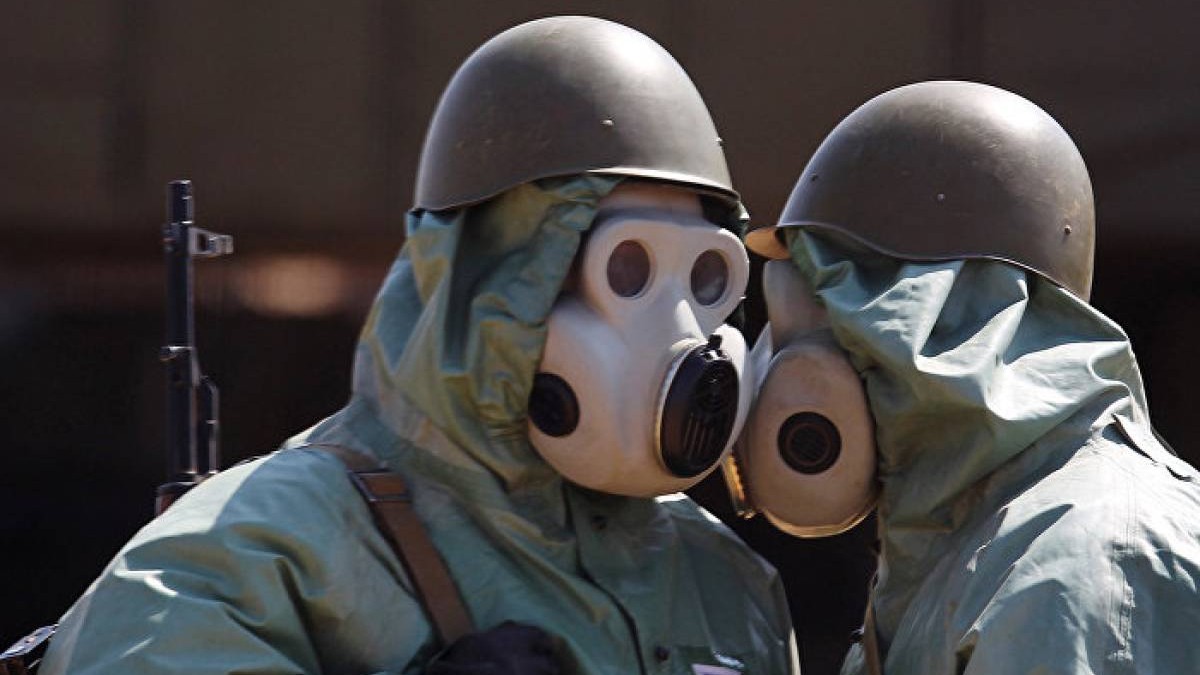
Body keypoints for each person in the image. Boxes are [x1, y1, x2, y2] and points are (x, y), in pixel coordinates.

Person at [40, 16, 798, 675]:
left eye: (707, 276)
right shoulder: (243, 558)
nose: (677, 326)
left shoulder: (724, 582)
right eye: (626, 269)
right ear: (485, 276)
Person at [735, 80, 1200, 673]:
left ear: (941, 311)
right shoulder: (963, 548)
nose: (792, 362)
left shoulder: (1084, 559)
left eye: (828, 302)